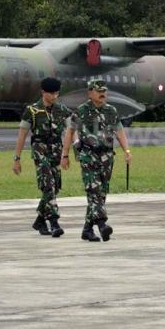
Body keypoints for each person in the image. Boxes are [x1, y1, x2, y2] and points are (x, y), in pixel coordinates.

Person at [61, 79, 132, 242]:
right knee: (94, 191)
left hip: (107, 157)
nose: (102, 94)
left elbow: (119, 131)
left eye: (104, 91)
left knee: (101, 193)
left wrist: (127, 151)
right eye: (99, 91)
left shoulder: (111, 111)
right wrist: (65, 155)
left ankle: (87, 230)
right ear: (90, 93)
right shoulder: (81, 111)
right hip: (88, 155)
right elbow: (70, 132)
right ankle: (102, 225)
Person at [12, 77, 71, 238]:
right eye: (51, 93)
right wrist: (17, 158)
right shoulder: (32, 111)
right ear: (43, 92)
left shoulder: (62, 110)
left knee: (55, 187)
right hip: (40, 151)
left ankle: (40, 220)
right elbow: (22, 135)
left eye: (57, 93)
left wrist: (69, 151)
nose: (55, 96)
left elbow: (72, 129)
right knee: (48, 185)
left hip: (56, 152)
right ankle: (54, 222)